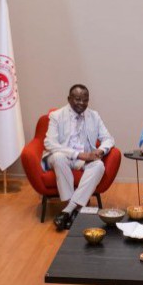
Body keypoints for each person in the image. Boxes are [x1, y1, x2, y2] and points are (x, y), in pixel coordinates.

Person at [44, 84, 115, 231]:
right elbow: (49, 143)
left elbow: (108, 139)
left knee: (99, 165)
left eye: (85, 100)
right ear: (69, 99)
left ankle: (68, 211)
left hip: (84, 160)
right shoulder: (56, 115)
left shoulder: (94, 116)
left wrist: (100, 151)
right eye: (77, 99)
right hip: (62, 157)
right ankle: (74, 209)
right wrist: (78, 154)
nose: (82, 103)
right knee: (58, 157)